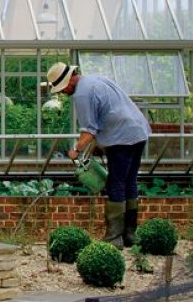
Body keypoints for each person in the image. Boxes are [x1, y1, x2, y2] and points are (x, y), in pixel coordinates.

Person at [44, 62, 150, 249]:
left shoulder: (81, 94)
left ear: (68, 82)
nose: (61, 93)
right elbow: (107, 114)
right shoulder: (96, 79)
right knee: (130, 182)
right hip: (138, 131)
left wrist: (75, 151)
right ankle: (130, 235)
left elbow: (89, 131)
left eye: (61, 90)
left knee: (115, 184)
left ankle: (114, 238)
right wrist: (97, 147)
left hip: (121, 137)